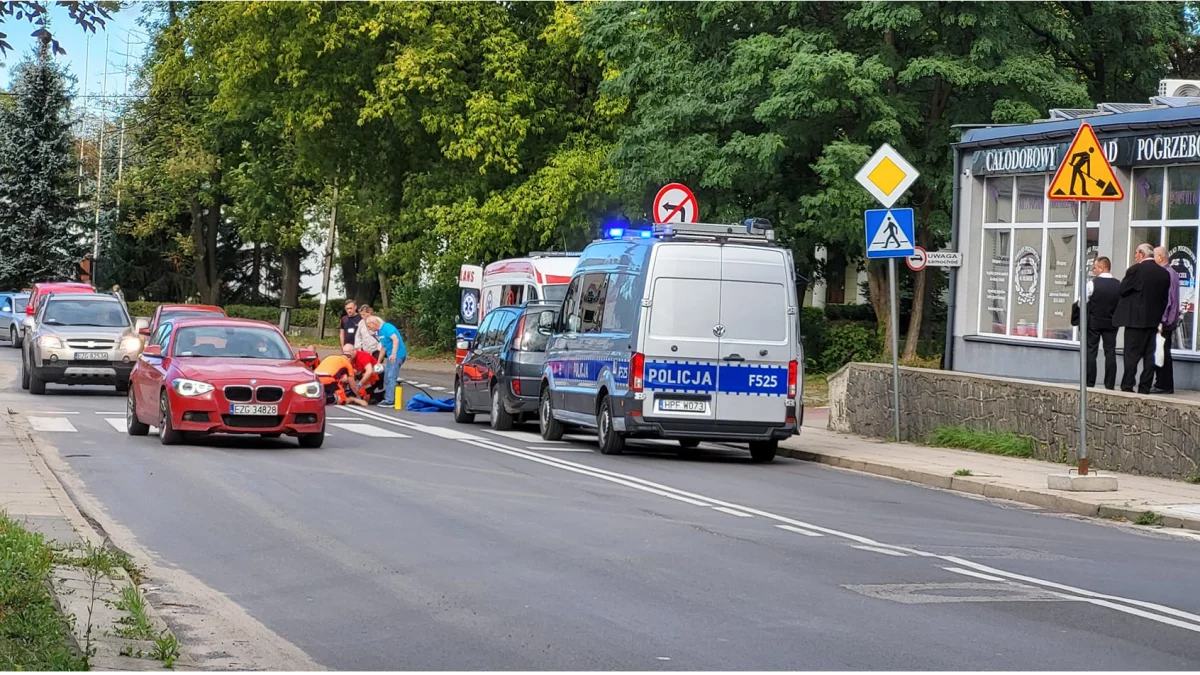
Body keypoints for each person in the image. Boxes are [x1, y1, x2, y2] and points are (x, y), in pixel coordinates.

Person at [1113, 243, 1173, 394]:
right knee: (1149, 356)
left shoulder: (1135, 270)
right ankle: (1145, 387)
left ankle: (1128, 385)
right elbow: (1164, 299)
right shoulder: (1164, 273)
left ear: (1141, 254)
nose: (1135, 256)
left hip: (1135, 321)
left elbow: (1122, 289)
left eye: (1135, 253)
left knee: (1131, 355)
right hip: (1153, 321)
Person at [1073, 256, 1120, 390]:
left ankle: (1090, 381)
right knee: (1110, 352)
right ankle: (1110, 384)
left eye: (1096, 268)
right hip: (1111, 323)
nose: (1094, 271)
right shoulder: (1118, 284)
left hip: (1094, 322)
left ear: (1102, 268)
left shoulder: (1092, 284)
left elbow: (1082, 302)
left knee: (1091, 351)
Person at [1152, 246, 1180, 394]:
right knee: (1162, 352)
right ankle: (1163, 383)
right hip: (1167, 320)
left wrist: (1162, 321)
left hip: (1164, 322)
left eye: (1155, 256)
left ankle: (1163, 384)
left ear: (1161, 257)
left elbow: (1169, 300)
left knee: (1161, 352)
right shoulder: (1172, 273)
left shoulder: (1167, 274)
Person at [367, 315, 406, 407]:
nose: (368, 328)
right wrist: (379, 361)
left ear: (374, 323)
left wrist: (393, 354)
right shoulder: (380, 332)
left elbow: (395, 339)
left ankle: (390, 400)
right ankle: (388, 397)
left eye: (369, 326)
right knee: (387, 377)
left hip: (397, 355)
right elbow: (383, 347)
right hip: (391, 356)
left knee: (391, 376)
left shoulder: (387, 327)